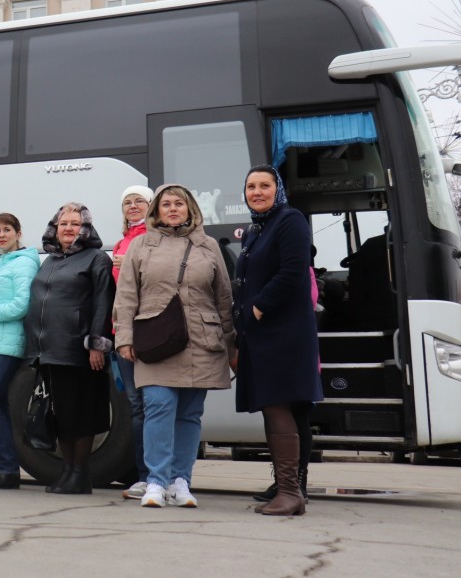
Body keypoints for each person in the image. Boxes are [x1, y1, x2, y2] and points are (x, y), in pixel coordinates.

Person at [114, 185, 235, 508]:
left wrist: (231, 343)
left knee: (190, 414)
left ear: (190, 208)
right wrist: (124, 338)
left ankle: (180, 481)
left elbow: (224, 297)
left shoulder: (208, 246)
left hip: (202, 340)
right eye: (165, 203)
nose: (172, 208)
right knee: (158, 407)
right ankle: (155, 480)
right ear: (156, 211)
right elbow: (126, 296)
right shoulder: (141, 245)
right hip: (155, 341)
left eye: (178, 203)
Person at [234, 165, 323, 516]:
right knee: (292, 408)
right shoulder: (257, 229)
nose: (257, 192)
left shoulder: (290, 220)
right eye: (251, 186)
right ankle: (292, 487)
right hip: (266, 330)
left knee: (279, 404)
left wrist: (257, 308)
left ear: (278, 189)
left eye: (264, 185)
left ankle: (290, 492)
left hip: (282, 330)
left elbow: (293, 270)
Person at [23, 202, 115, 495]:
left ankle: (80, 473)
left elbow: (103, 302)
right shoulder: (49, 261)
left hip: (78, 349)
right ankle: (68, 471)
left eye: (75, 224)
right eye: (63, 223)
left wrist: (96, 344)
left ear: (85, 229)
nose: (68, 228)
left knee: (81, 414)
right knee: (60, 414)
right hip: (49, 350)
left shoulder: (96, 258)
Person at [0, 213, 40, 490]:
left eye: (6, 230)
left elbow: (21, 305)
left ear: (18, 233)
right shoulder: (5, 262)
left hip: (8, 342)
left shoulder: (24, 263)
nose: (1, 235)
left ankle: (7, 468)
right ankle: (5, 469)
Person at [111, 185, 154, 500]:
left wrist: (127, 263)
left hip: (148, 331)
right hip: (122, 333)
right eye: (128, 202)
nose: (133, 205)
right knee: (136, 407)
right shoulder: (121, 241)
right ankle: (144, 475)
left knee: (155, 405)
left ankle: (159, 474)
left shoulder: (152, 239)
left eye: (140, 200)